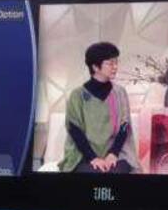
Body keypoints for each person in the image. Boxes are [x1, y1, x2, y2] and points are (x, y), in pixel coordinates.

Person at [58, 42, 140, 173]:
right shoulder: (77, 95)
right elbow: (75, 130)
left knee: (116, 172)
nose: (115, 67)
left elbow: (124, 126)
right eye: (110, 63)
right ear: (95, 67)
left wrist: (113, 154)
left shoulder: (120, 92)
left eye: (116, 62)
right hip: (83, 155)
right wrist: (93, 158)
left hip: (118, 154)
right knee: (93, 173)